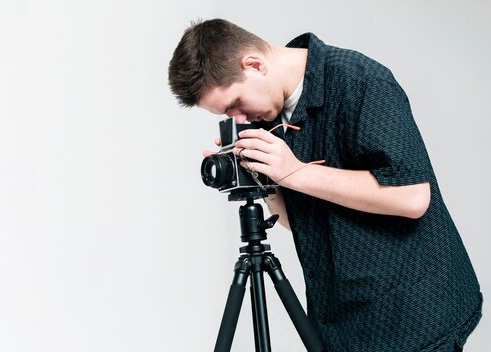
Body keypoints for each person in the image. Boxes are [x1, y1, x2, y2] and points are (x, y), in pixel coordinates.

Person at [168, 19, 482, 351]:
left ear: (254, 65)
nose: (240, 119)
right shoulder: (271, 117)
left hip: (413, 316)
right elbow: (296, 221)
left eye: (235, 104)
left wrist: (295, 172)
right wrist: (264, 177)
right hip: (341, 320)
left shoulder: (359, 80)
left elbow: (413, 196)